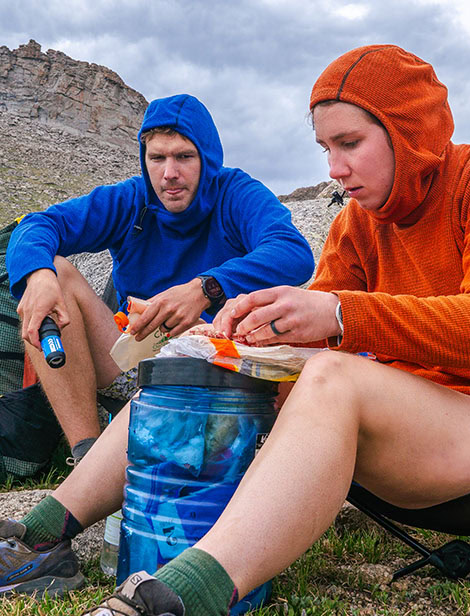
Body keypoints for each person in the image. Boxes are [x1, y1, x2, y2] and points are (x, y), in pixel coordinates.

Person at [0, 44, 470, 616]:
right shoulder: (357, 223)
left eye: (350, 143)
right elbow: (327, 335)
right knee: (204, 363)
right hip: (399, 433)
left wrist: (340, 316)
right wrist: (259, 341)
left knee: (331, 375)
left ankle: (174, 615)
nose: (336, 168)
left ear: (409, 129)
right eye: (326, 149)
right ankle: (45, 535)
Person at [5, 94, 314, 463]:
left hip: (217, 370)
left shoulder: (236, 194)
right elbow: (41, 223)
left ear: (207, 159)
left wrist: (205, 288)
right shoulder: (131, 200)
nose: (169, 173)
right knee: (56, 271)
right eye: (157, 158)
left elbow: (293, 252)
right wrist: (39, 276)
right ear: (144, 159)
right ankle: (87, 454)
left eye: (184, 157)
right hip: (133, 359)